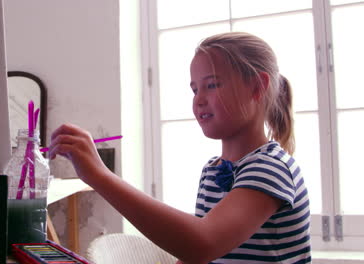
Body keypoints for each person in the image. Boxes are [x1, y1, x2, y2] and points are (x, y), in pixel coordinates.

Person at [48, 32, 311, 263]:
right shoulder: (214, 170)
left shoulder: (271, 168)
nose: (199, 100)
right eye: (194, 89)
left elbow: (202, 244)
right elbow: (192, 256)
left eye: (212, 85)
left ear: (257, 86)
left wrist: (99, 175)